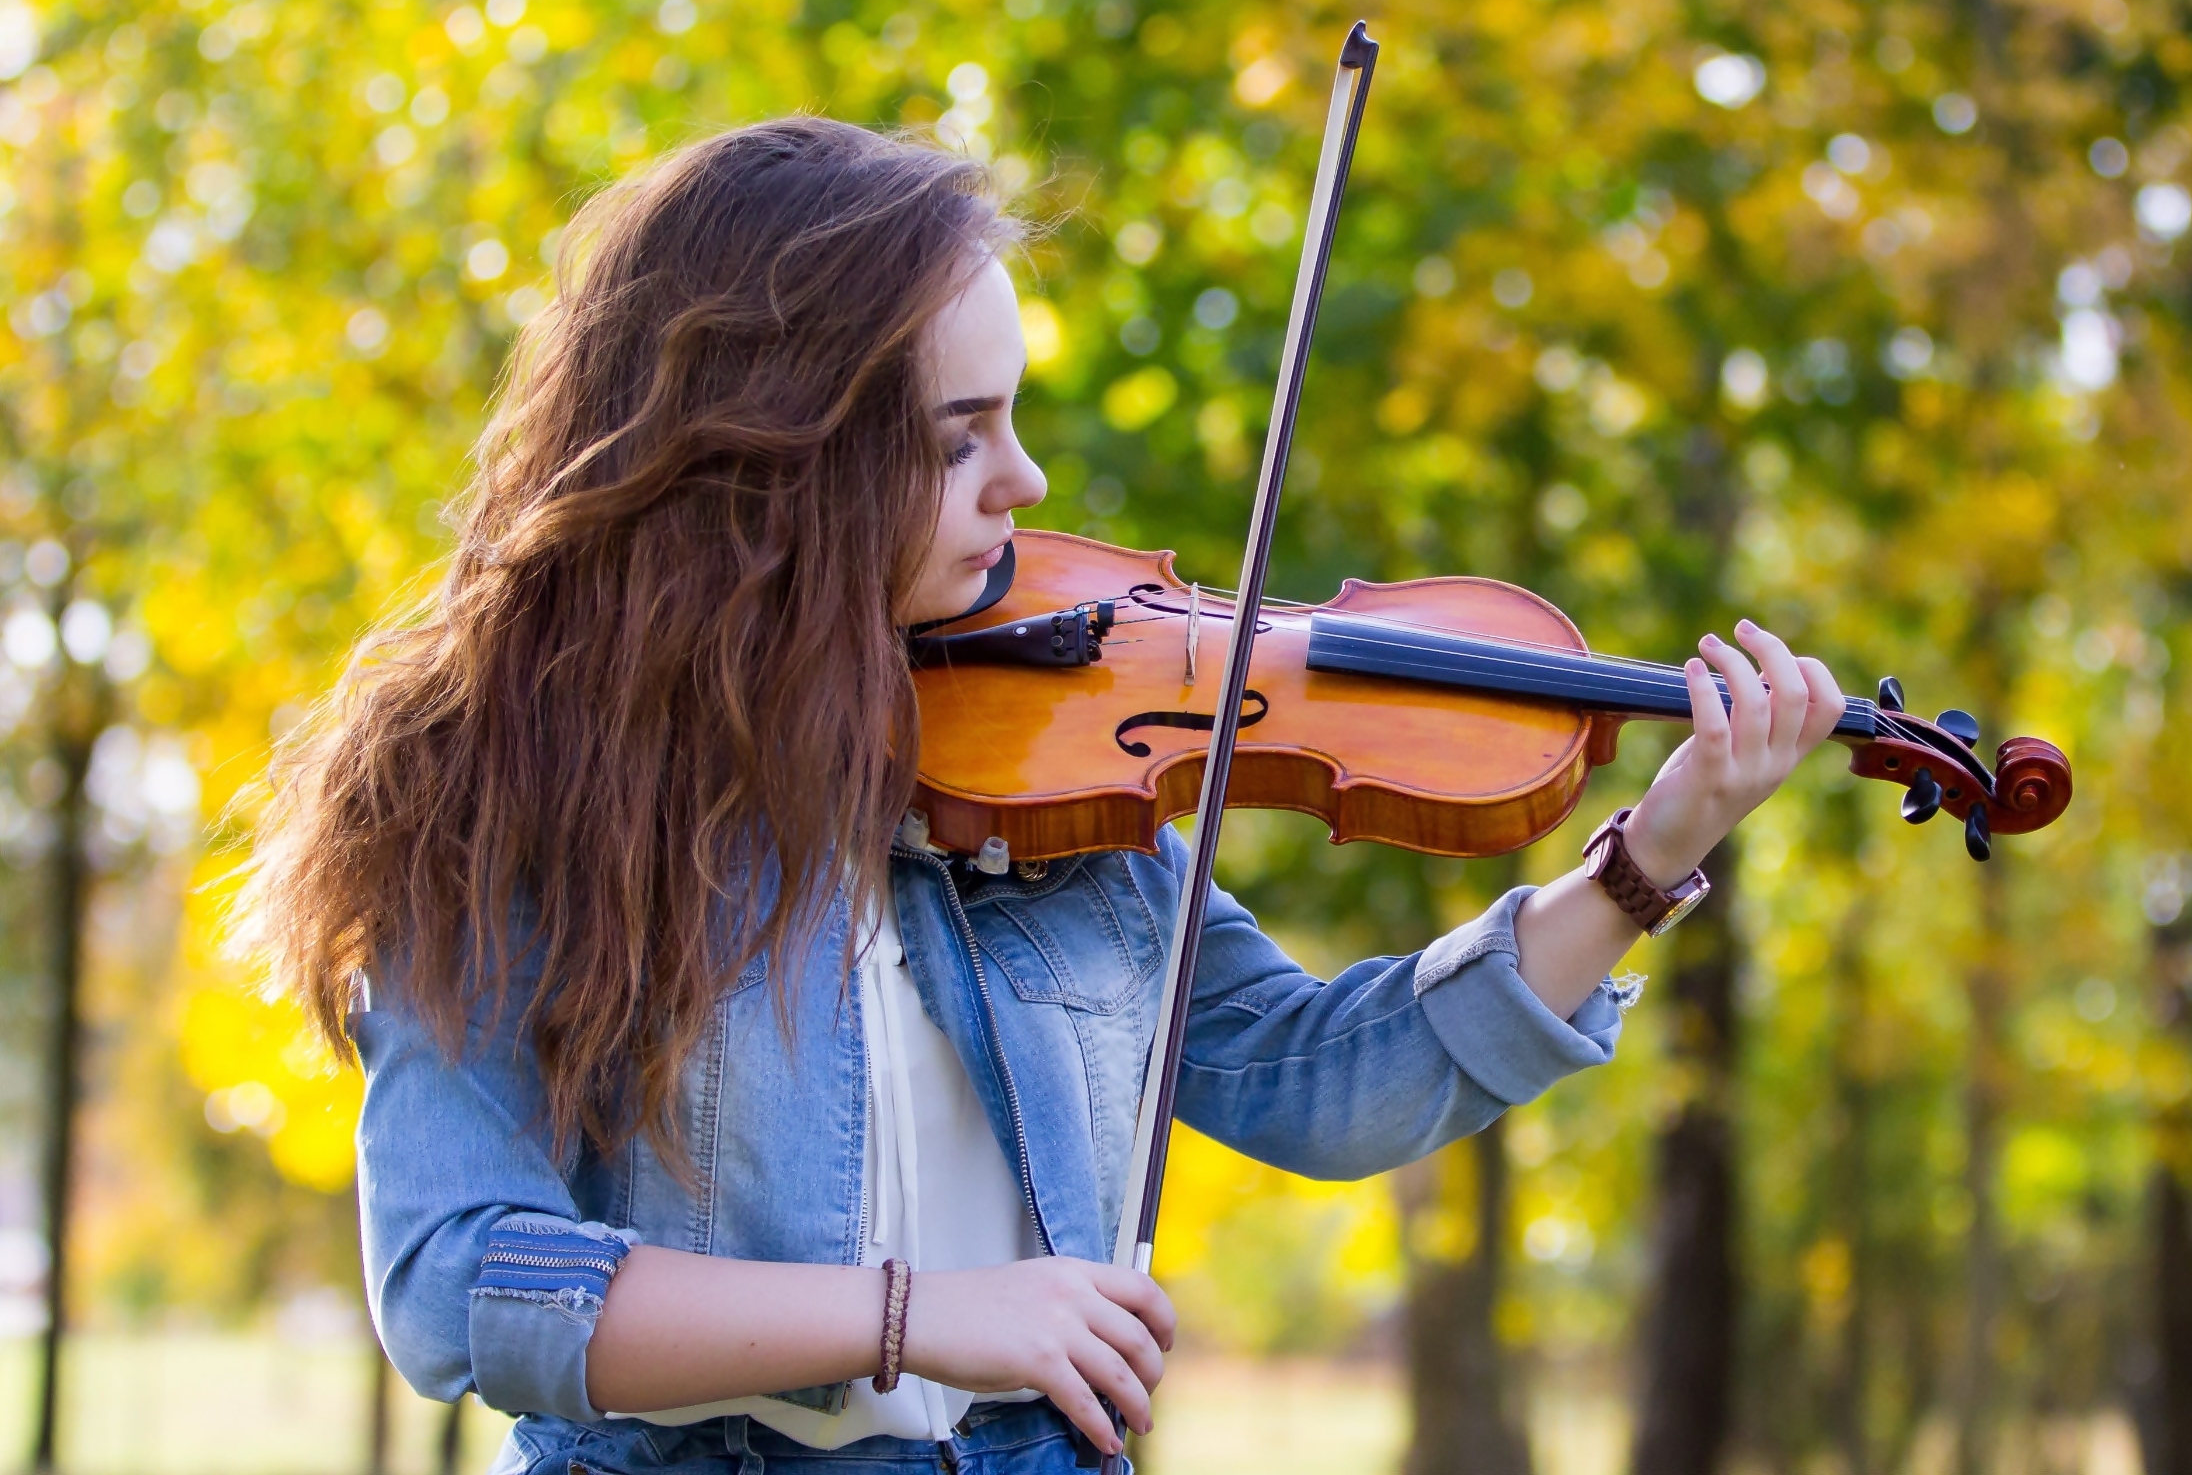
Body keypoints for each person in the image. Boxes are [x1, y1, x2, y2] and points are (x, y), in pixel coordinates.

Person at [243, 116, 1843, 1475]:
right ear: (781, 455)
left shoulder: (1054, 772)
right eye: (959, 439)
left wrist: (1651, 855)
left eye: (1015, 418)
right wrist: (913, 1314)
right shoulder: (506, 792)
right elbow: (461, 1284)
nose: (1027, 487)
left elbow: (1322, 1081)